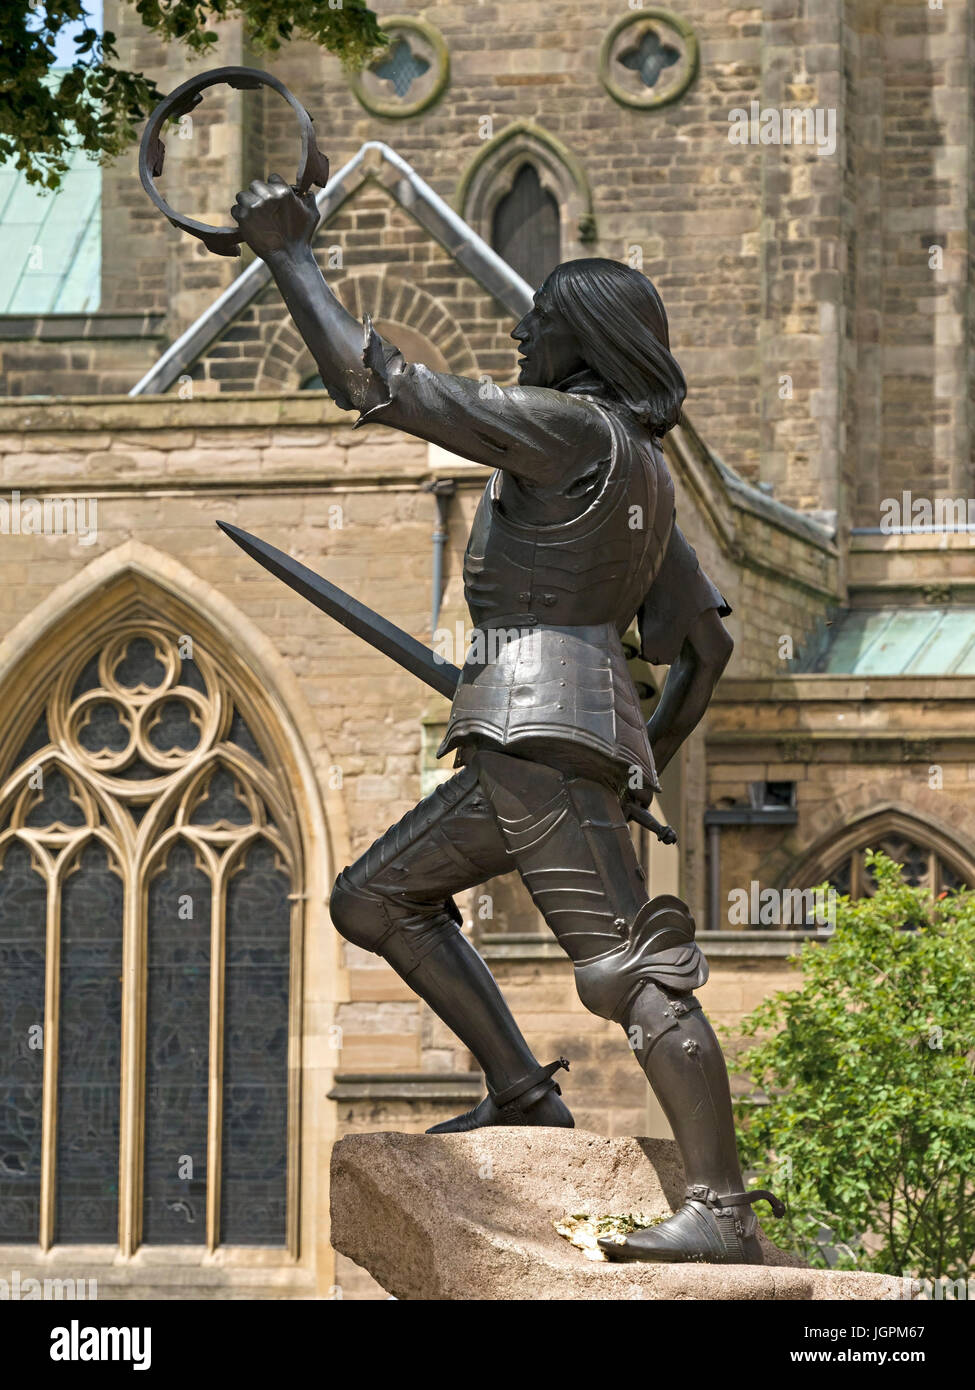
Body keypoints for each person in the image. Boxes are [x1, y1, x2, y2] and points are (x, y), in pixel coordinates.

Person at [230, 174, 782, 1263]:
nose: (519, 331)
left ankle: (721, 1212)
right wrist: (643, 758)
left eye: (536, 319)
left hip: (541, 742)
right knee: (374, 896)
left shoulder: (568, 430)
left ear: (576, 340)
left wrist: (289, 255)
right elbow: (706, 649)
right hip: (543, 740)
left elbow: (373, 381)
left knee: (630, 965)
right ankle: (524, 1092)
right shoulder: (643, 473)